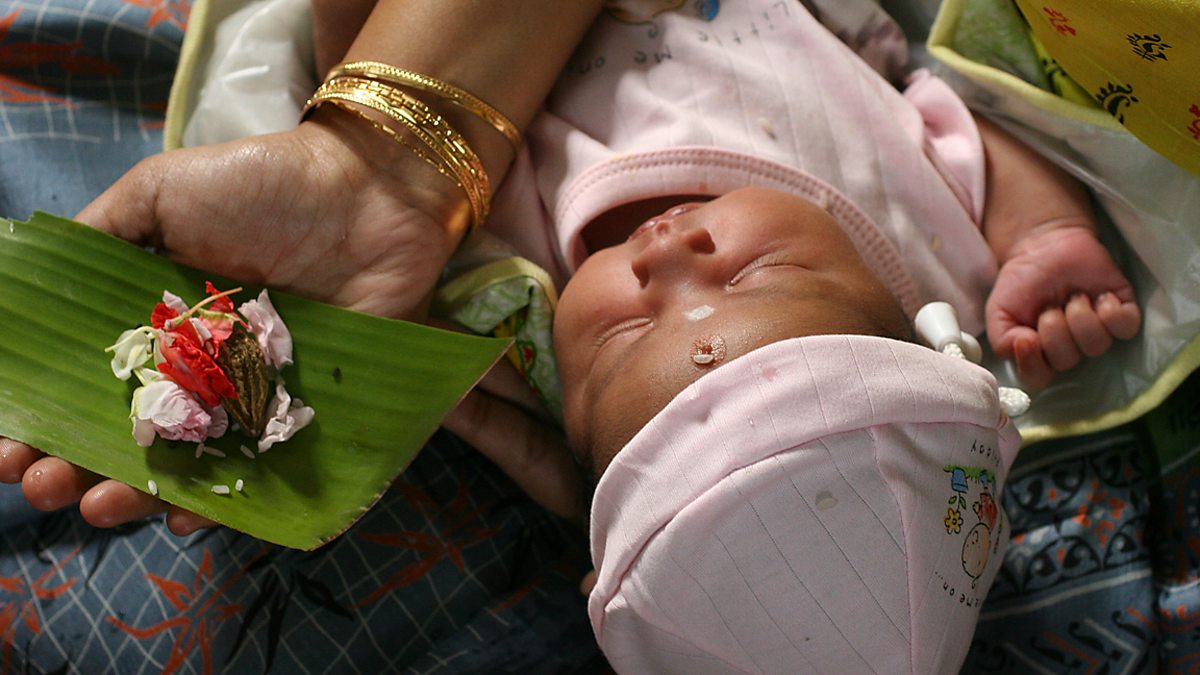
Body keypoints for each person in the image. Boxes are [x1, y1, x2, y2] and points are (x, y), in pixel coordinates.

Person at [0, 0, 1141, 670]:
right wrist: (1044, 235)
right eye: (763, 270)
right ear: (917, 327)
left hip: (474, 83)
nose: (669, 262)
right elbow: (973, 131)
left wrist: (360, 149)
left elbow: (560, 418)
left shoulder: (519, 295)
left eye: (627, 329)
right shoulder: (932, 237)